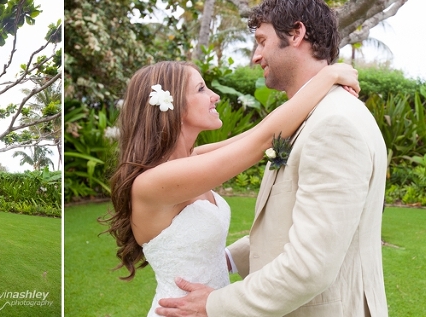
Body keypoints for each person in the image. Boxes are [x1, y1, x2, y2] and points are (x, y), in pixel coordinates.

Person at [157, 0, 389, 317]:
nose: (255, 56)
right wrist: (225, 260)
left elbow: (309, 267)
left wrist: (214, 303)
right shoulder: (309, 117)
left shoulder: (333, 125)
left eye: (262, 41)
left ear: (296, 33)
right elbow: (291, 225)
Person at [104, 59, 360, 316]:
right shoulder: (155, 181)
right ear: (173, 106)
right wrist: (329, 75)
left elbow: (256, 134)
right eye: (201, 89)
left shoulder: (190, 160)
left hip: (209, 306)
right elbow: (261, 141)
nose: (214, 96)